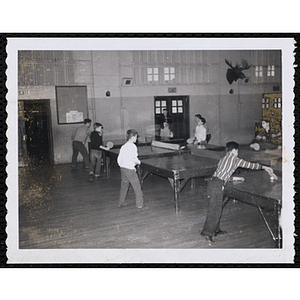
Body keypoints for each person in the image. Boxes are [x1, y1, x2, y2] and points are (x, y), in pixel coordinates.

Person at [200, 141, 277, 243]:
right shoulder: (235, 159)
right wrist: (264, 167)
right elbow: (250, 165)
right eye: (237, 150)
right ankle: (207, 233)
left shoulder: (224, 158)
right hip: (217, 185)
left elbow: (222, 172)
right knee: (214, 210)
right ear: (233, 150)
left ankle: (215, 230)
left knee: (216, 208)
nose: (237, 152)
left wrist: (233, 178)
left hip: (213, 182)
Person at [117, 129, 149, 211]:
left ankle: (121, 202)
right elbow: (134, 158)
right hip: (129, 169)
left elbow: (119, 159)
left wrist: (122, 166)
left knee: (124, 186)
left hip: (122, 168)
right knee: (137, 187)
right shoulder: (133, 146)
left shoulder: (124, 146)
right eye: (136, 137)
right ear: (133, 137)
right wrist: (139, 162)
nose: (136, 139)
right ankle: (140, 205)